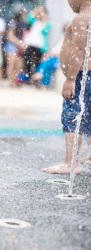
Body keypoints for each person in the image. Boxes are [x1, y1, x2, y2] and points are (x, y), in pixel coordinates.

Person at [42, 0, 91, 174]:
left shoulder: (81, 18)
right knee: (88, 116)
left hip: (81, 76)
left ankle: (70, 163)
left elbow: (79, 50)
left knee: (73, 116)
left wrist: (70, 79)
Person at [17, 6, 51, 85]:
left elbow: (45, 31)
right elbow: (29, 17)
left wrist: (44, 19)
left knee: (38, 63)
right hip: (31, 44)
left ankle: (36, 80)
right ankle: (28, 77)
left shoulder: (47, 24)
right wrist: (37, 10)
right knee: (27, 61)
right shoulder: (35, 22)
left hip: (40, 46)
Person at [4, 8, 27, 87]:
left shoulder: (21, 23)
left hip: (17, 46)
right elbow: (10, 36)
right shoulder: (13, 22)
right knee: (11, 64)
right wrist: (19, 43)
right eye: (24, 13)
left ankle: (14, 80)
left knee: (19, 64)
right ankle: (11, 82)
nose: (25, 15)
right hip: (11, 45)